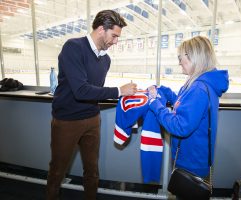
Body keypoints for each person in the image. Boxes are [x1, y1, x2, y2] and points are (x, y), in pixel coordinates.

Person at [46, 10, 137, 200]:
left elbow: (95, 92)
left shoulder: (106, 59)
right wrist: (119, 91)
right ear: (101, 29)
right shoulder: (73, 47)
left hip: (93, 119)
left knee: (92, 171)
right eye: (114, 36)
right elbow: (82, 91)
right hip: (67, 121)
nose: (116, 41)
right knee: (57, 172)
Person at [147, 36, 229, 199]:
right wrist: (166, 92)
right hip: (193, 158)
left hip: (191, 162)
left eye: (180, 57)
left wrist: (155, 104)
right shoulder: (199, 82)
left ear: (194, 57)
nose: (179, 62)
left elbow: (180, 126)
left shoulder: (198, 88)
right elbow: (185, 103)